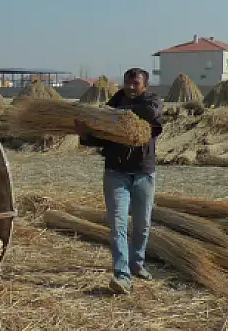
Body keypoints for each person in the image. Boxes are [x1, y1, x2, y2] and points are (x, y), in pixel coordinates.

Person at [74, 68, 163, 295]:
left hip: (143, 172)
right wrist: (85, 133)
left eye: (136, 84)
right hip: (116, 172)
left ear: (145, 85)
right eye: (127, 83)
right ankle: (122, 275)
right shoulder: (111, 105)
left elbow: (151, 113)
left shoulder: (150, 101)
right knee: (118, 224)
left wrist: (118, 115)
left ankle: (137, 263)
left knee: (142, 225)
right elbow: (98, 139)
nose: (131, 88)